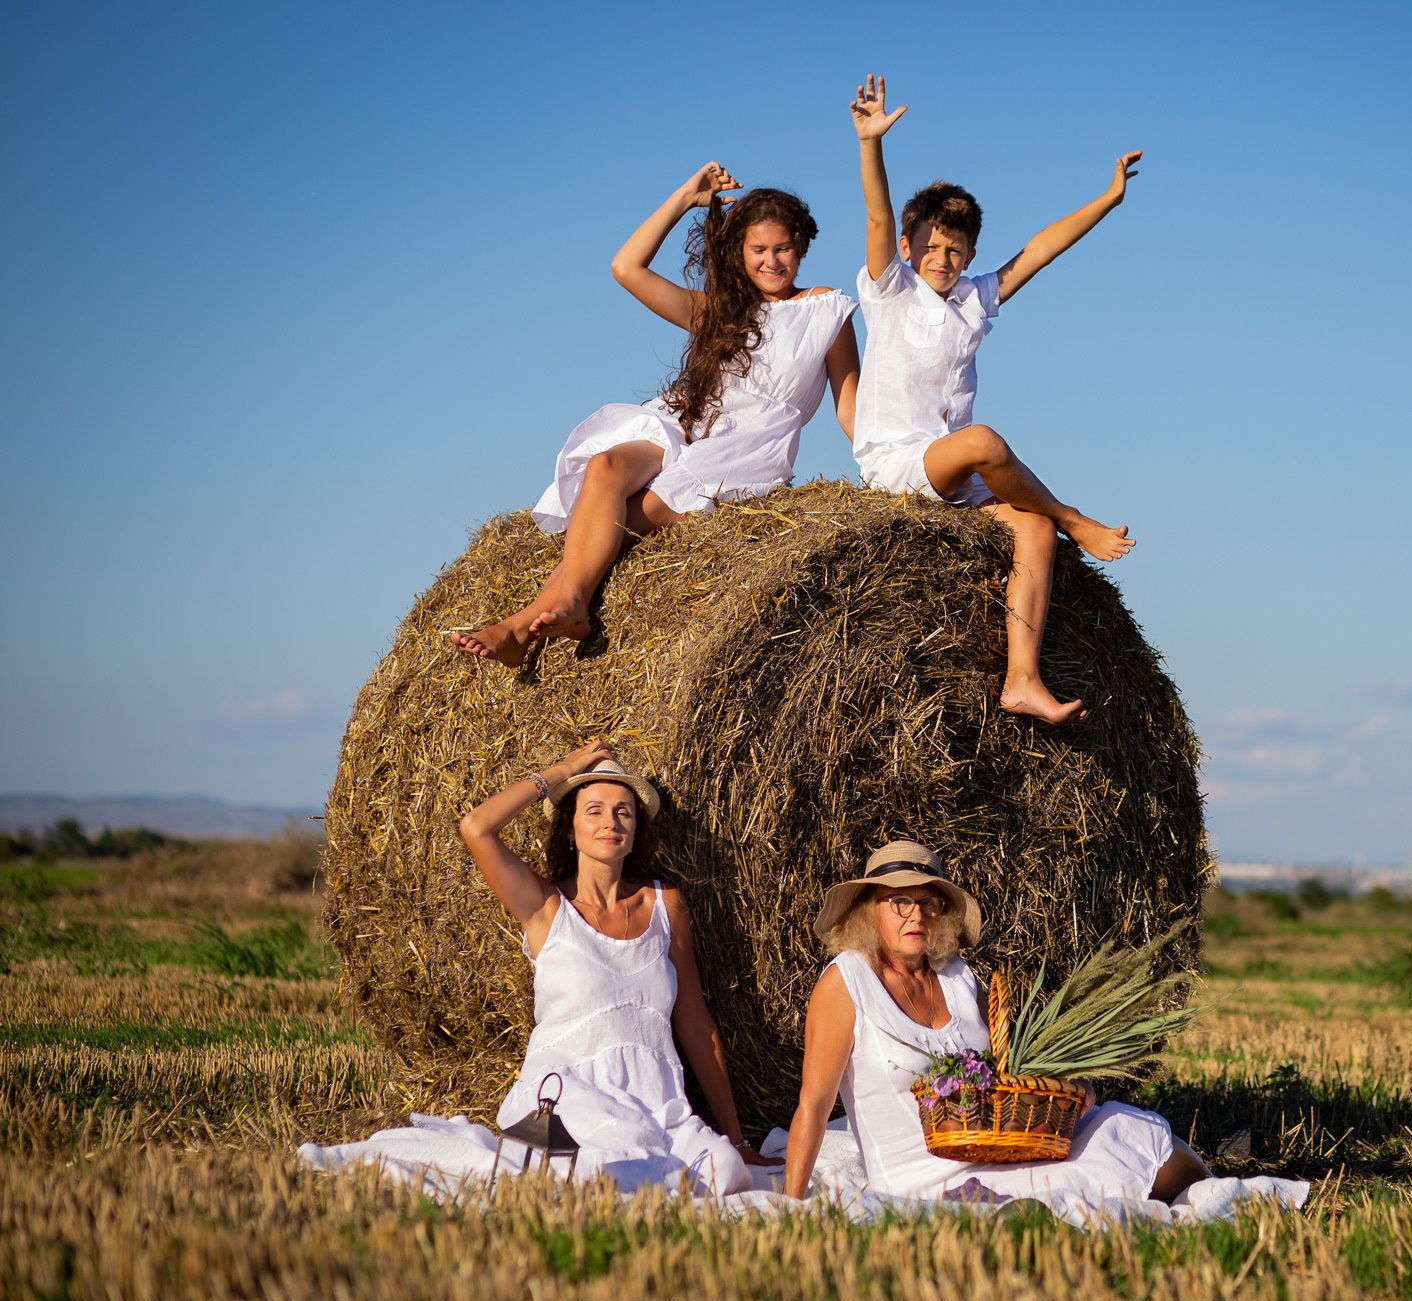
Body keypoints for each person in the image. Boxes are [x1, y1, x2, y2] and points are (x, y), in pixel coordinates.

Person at [300, 743, 768, 1196]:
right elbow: (476, 828)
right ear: (571, 829)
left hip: (658, 1103)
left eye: (624, 811)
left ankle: (626, 1177)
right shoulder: (548, 908)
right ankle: (604, 1176)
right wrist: (563, 771)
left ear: (636, 830)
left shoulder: (666, 905)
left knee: (725, 1171)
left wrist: (740, 1140)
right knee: (627, 1158)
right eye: (594, 810)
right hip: (567, 1093)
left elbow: (694, 1023)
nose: (611, 822)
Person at [451, 165, 860, 667]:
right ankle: (560, 610)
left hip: (746, 446)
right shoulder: (720, 312)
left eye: (783, 248)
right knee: (605, 468)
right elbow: (626, 268)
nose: (772, 261)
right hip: (685, 421)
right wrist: (684, 199)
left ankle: (524, 624)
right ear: (740, 253)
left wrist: (895, 471)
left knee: (633, 513)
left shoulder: (827, 311)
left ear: (801, 246)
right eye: (759, 250)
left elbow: (850, 405)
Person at [847, 76, 1139, 726]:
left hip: (953, 478)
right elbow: (876, 214)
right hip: (898, 464)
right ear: (906, 246)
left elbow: (1039, 248)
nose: (941, 258)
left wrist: (1109, 200)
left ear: (971, 254)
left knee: (1029, 528)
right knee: (986, 446)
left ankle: (1022, 679)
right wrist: (871, 146)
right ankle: (1074, 516)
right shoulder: (889, 290)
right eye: (929, 246)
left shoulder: (976, 298)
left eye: (955, 250)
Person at [777, 841, 1213, 1207]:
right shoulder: (847, 983)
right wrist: (791, 1204)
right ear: (870, 910)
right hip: (924, 1182)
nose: (917, 914)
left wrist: (1074, 1082)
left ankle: (1217, 1203)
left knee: (1128, 1130)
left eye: (930, 901)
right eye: (900, 902)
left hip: (1003, 1149)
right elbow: (813, 1103)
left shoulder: (956, 975)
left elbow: (1014, 1065)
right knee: (1090, 1175)